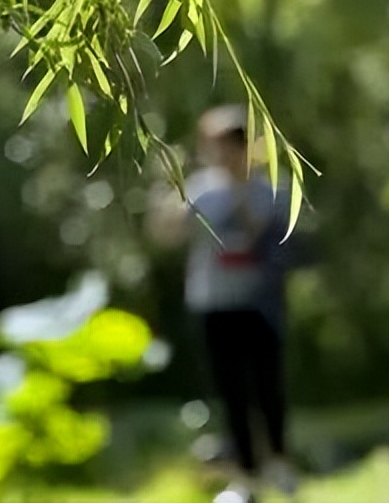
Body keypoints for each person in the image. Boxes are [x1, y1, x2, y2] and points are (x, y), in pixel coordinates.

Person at [149, 105, 297, 503]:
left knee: (267, 384)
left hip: (259, 301)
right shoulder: (199, 188)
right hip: (213, 302)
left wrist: (237, 187)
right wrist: (170, 197)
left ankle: (279, 463)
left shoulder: (268, 189)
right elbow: (167, 237)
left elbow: (255, 233)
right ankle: (246, 476)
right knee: (231, 388)